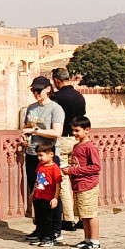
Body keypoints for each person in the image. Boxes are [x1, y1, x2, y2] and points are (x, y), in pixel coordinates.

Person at [20, 76, 65, 240]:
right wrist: (24, 137)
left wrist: (36, 132)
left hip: (50, 157)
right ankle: (40, 227)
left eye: (38, 90)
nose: (35, 93)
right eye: (33, 90)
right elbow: (26, 128)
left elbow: (57, 133)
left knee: (52, 192)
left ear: (48, 89)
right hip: (33, 154)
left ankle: (55, 229)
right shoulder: (31, 109)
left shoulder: (55, 109)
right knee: (37, 193)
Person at [50, 67, 87, 230]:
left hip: (63, 139)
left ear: (57, 80)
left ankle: (68, 218)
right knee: (78, 178)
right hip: (78, 140)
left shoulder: (57, 98)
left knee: (63, 179)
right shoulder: (80, 97)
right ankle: (81, 217)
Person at [62, 116, 101, 249]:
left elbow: (96, 167)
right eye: (73, 130)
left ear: (87, 130)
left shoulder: (90, 147)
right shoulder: (76, 146)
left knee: (90, 214)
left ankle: (95, 241)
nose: (74, 134)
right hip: (78, 185)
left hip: (88, 185)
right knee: (83, 214)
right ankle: (87, 239)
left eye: (77, 131)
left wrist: (74, 170)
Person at [29, 142, 62, 247]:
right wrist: (33, 192)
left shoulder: (54, 168)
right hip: (39, 196)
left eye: (41, 155)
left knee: (48, 219)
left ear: (51, 154)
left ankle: (49, 237)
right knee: (39, 218)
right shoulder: (40, 166)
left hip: (48, 197)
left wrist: (55, 198)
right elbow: (37, 180)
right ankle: (41, 235)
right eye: (38, 155)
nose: (39, 158)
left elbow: (58, 184)